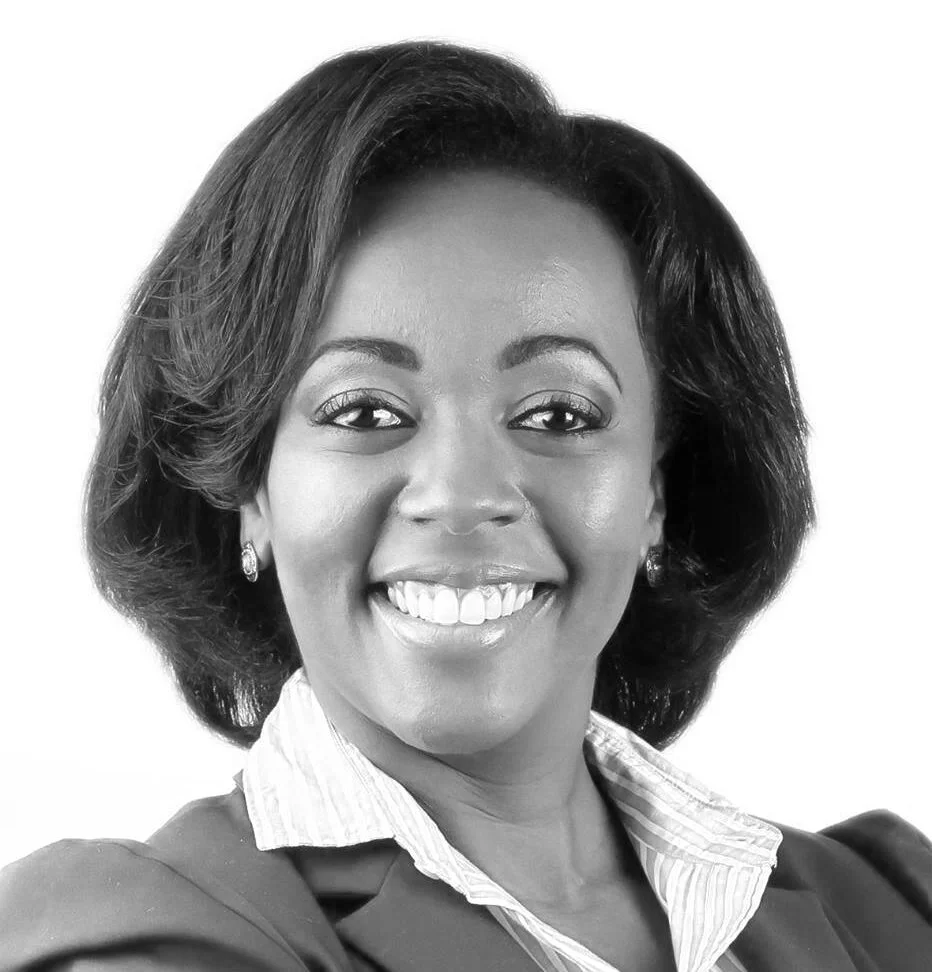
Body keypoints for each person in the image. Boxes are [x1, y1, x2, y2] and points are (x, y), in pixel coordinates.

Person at [1, 38, 930, 972]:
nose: (461, 494)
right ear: (249, 490)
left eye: (559, 413)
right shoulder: (156, 947)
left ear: (656, 489)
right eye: (363, 410)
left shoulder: (887, 911)